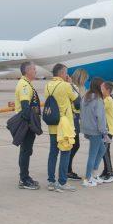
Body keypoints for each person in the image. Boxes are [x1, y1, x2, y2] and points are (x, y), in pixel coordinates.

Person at [45, 63, 79, 192]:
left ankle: (51, 181)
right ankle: (62, 182)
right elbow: (77, 100)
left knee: (53, 153)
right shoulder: (65, 86)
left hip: (52, 125)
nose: (67, 75)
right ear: (61, 73)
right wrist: (71, 84)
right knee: (65, 153)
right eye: (66, 73)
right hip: (64, 127)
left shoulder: (48, 85)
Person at [14, 61, 42, 190]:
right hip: (27, 123)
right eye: (34, 69)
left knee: (26, 151)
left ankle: (25, 177)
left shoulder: (26, 83)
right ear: (27, 71)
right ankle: (24, 179)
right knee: (25, 151)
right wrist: (31, 124)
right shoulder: (24, 85)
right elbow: (25, 107)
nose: (35, 71)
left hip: (28, 122)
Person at [80, 77, 108, 187]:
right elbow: (101, 118)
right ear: (98, 86)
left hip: (87, 128)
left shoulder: (85, 97)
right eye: (102, 86)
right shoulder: (98, 100)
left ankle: (94, 174)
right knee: (93, 154)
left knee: (102, 149)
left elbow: (82, 114)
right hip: (96, 130)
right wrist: (104, 132)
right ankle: (88, 178)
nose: (103, 88)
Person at [67, 68, 88, 181]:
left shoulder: (81, 88)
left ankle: (67, 168)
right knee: (74, 145)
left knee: (73, 145)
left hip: (76, 119)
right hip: (72, 120)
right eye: (85, 79)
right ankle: (67, 170)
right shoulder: (74, 88)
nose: (85, 81)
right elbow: (79, 104)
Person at [100, 81, 113, 183]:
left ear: (108, 90)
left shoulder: (108, 100)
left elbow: (97, 108)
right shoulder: (106, 99)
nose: (100, 90)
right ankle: (106, 171)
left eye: (102, 89)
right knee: (105, 151)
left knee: (105, 152)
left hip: (108, 131)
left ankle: (111, 173)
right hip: (106, 130)